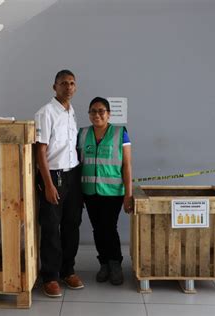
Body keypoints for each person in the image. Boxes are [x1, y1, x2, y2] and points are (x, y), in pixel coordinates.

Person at [34, 70, 84, 297]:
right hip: (53, 176)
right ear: (54, 87)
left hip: (73, 174)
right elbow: (40, 151)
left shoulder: (71, 112)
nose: (68, 87)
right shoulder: (46, 113)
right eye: (63, 83)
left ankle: (68, 270)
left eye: (72, 83)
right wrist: (48, 185)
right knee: (52, 227)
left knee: (72, 224)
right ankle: (51, 276)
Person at [77, 96, 133, 285]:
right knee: (97, 229)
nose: (97, 114)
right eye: (93, 111)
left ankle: (115, 264)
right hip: (90, 192)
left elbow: (127, 165)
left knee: (109, 228)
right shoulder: (82, 133)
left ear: (109, 114)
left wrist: (128, 194)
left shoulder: (120, 132)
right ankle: (104, 264)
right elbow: (77, 162)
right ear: (89, 114)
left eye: (101, 111)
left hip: (112, 192)